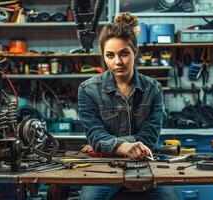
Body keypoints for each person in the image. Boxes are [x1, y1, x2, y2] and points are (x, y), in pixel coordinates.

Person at [77, 12, 180, 200]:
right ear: (103, 56)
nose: (117, 62)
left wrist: (107, 145)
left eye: (124, 53)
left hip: (146, 163)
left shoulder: (153, 89)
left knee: (171, 198)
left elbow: (149, 138)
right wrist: (118, 146)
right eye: (110, 55)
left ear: (135, 52)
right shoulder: (88, 89)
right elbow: (94, 134)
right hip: (104, 167)